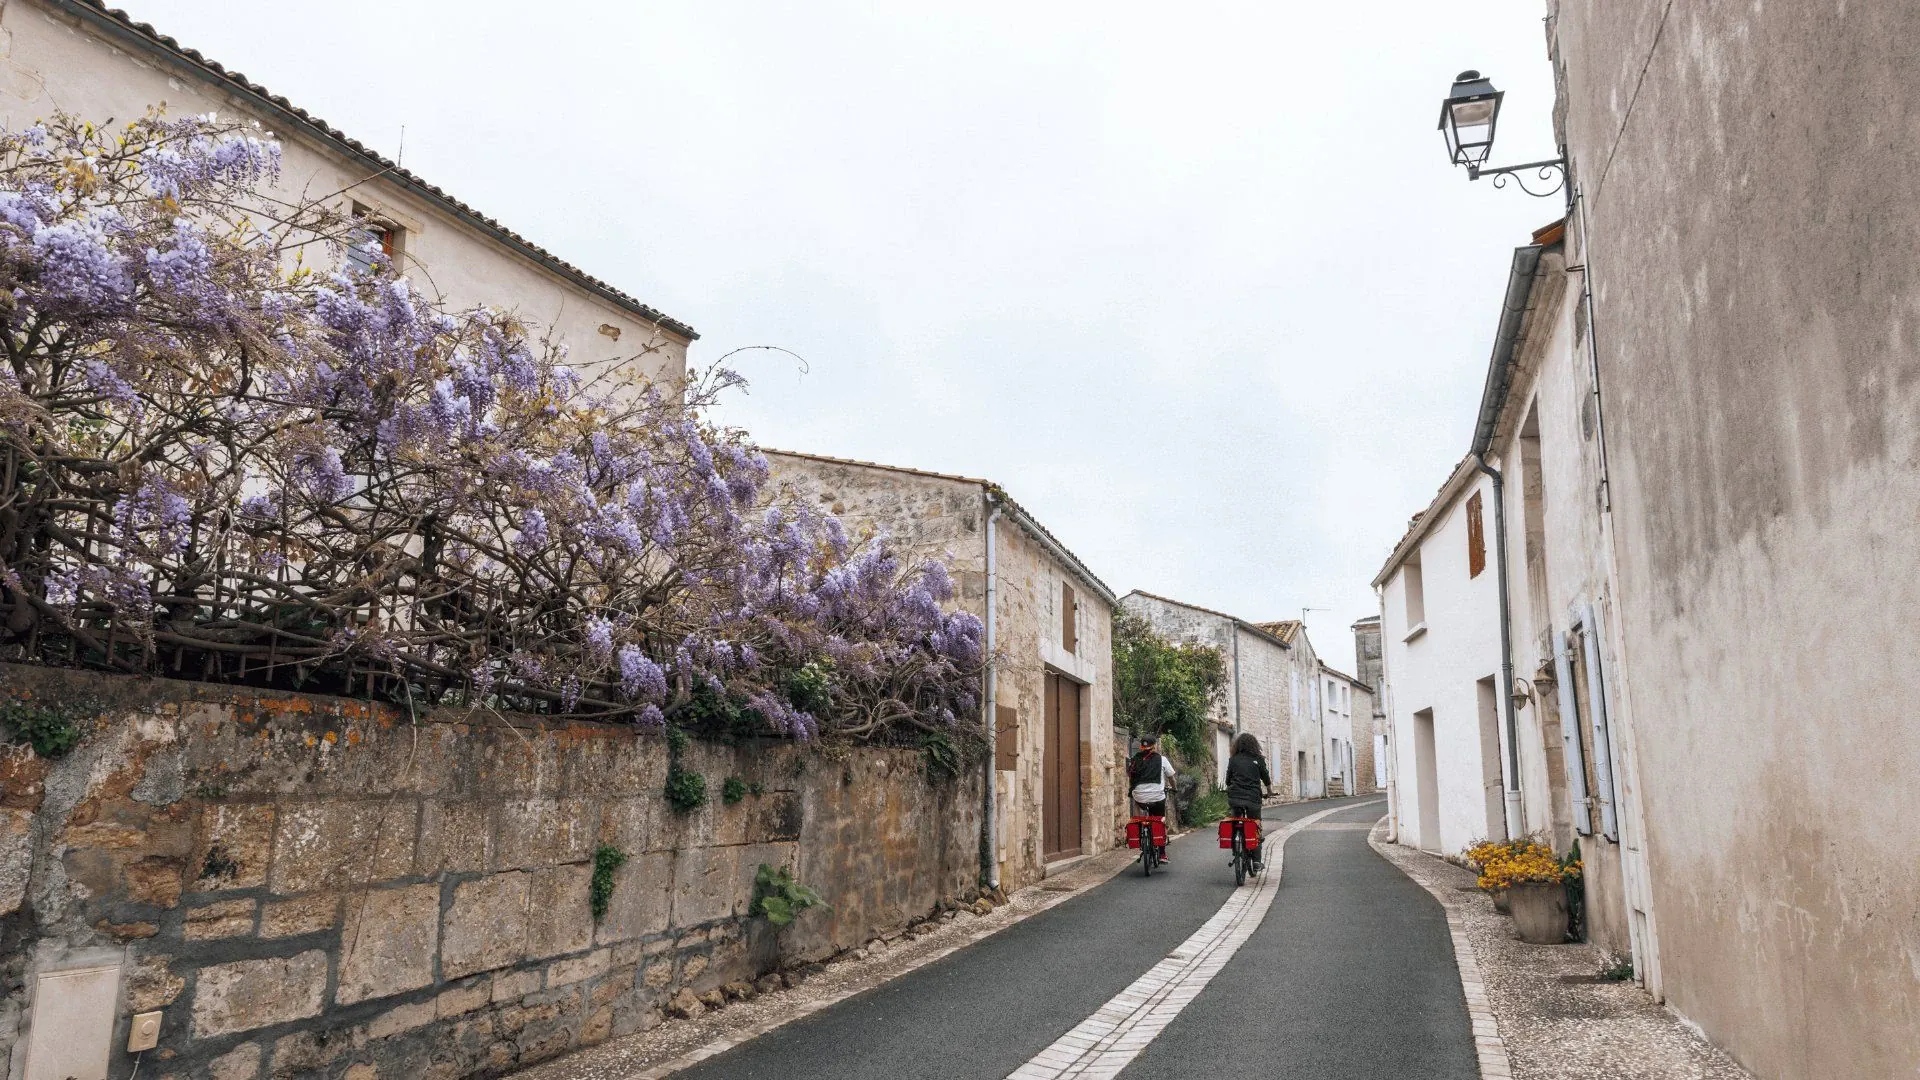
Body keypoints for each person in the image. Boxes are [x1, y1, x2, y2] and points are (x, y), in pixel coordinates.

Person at [1225, 732, 1274, 867]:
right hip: (1253, 798)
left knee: (1235, 820)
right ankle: (1257, 861)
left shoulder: (1233, 760)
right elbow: (1266, 778)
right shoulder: (1258, 759)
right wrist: (1269, 792)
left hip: (1235, 798)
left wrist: (1233, 787)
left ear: (1238, 745)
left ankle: (1236, 846)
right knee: (1255, 825)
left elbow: (1228, 780)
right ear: (1254, 745)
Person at [1128, 734, 1177, 863]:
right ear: (1154, 746)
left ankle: (1140, 833)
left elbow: (1130, 775)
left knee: (1137, 805)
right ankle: (1162, 854)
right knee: (1160, 820)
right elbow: (1171, 777)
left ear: (1141, 746)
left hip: (1139, 797)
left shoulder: (1135, 759)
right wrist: (1174, 787)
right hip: (1157, 797)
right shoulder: (1162, 759)